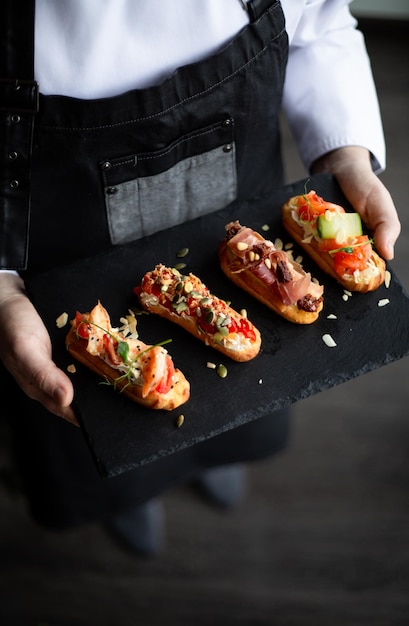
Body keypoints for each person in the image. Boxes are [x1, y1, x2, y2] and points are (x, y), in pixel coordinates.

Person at [0, 0, 401, 556]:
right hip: (62, 241)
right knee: (105, 435)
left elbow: (320, 24)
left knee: (239, 405)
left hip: (244, 200)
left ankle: (214, 457)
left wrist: (346, 157)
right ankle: (129, 497)